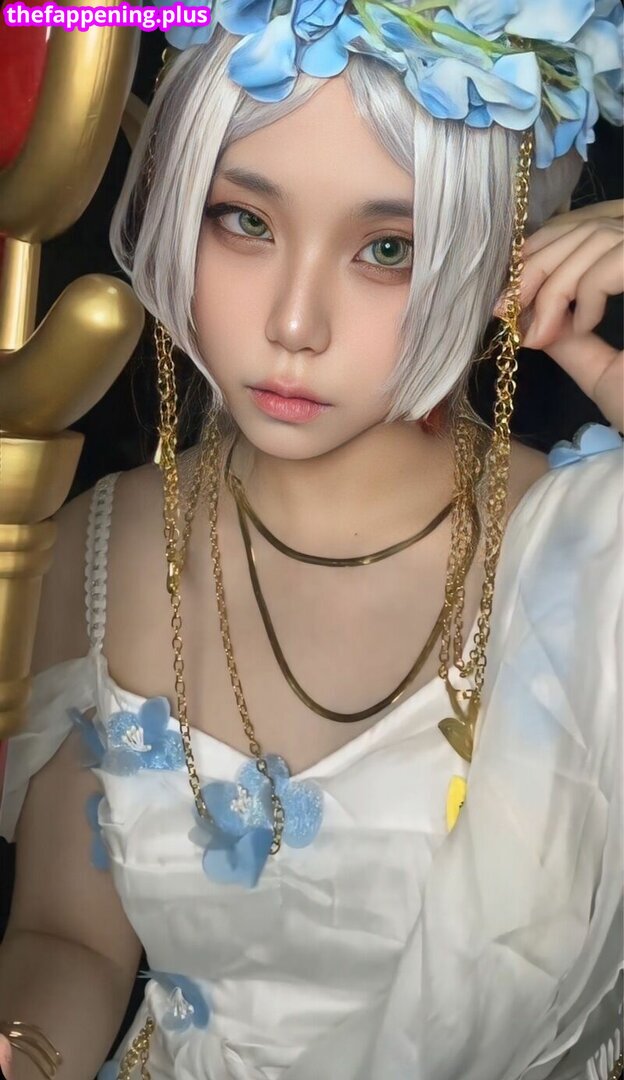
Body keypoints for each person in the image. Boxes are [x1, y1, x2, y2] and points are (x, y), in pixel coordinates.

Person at [0, 5, 623, 1079]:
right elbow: (70, 938)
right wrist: (29, 1050)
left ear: (505, 249)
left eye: (388, 248)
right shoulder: (98, 545)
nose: (294, 324)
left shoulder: (592, 545)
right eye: (245, 221)